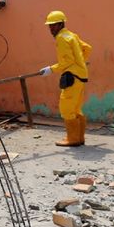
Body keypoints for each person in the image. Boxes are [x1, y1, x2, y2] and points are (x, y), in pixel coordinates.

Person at [39, 11, 92, 147]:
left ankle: (72, 139)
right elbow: (87, 48)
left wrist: (51, 69)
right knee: (76, 108)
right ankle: (79, 138)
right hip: (81, 76)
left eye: (54, 25)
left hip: (72, 77)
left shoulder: (62, 38)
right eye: (49, 26)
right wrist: (80, 62)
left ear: (61, 24)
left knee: (66, 108)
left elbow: (66, 62)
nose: (51, 29)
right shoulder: (71, 35)